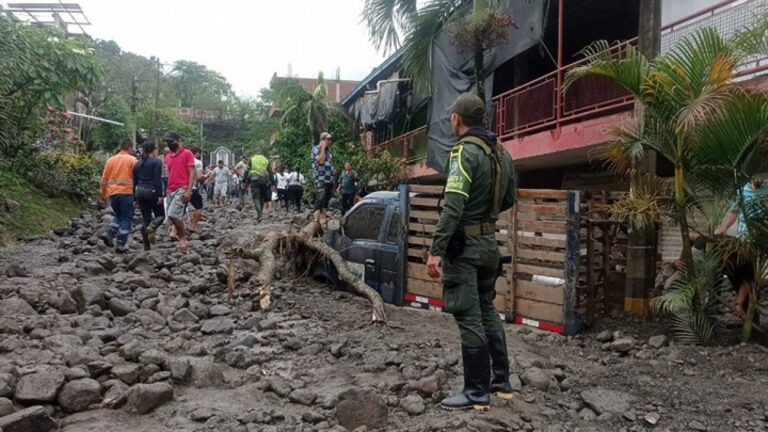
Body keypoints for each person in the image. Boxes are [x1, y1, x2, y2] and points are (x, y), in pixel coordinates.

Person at [426, 93, 517, 411]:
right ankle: (501, 382)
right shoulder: (501, 153)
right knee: (487, 309)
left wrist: (436, 249)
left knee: (468, 314)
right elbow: (509, 198)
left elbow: (453, 205)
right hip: (489, 244)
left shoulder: (463, 153)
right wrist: (485, 215)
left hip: (464, 249)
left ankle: (476, 392)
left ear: (457, 119)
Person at [714, 177, 767, 319]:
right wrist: (723, 228)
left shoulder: (766, 192)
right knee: (737, 274)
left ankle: (745, 311)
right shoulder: (742, 191)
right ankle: (717, 307)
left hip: (760, 243)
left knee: (750, 277)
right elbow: (734, 211)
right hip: (743, 242)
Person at [99, 139, 137, 253]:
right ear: (129, 148)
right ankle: (120, 244)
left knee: (119, 215)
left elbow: (104, 178)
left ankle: (109, 232)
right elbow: (137, 178)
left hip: (113, 193)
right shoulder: (132, 160)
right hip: (127, 192)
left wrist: (102, 194)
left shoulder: (111, 160)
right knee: (126, 217)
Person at [163, 132, 196, 252]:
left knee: (173, 214)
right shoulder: (168, 156)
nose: (169, 144)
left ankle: (183, 238)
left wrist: (189, 190)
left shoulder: (187, 154)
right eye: (167, 142)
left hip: (182, 188)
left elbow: (192, 172)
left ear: (178, 140)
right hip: (170, 189)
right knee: (172, 216)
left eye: (171, 141)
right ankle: (179, 235)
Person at [133, 142, 165, 250]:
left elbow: (135, 182)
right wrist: (160, 195)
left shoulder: (137, 164)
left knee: (145, 219)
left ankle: (146, 246)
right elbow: (157, 180)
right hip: (152, 191)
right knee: (161, 216)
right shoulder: (156, 162)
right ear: (153, 150)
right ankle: (152, 227)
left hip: (140, 192)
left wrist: (135, 198)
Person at [312, 132, 334, 223]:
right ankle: (316, 220)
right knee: (320, 199)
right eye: (327, 139)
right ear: (322, 140)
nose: (329, 141)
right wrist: (323, 148)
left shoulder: (329, 151)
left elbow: (330, 163)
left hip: (329, 179)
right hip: (321, 178)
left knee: (326, 200)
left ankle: (323, 218)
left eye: (330, 139)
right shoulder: (316, 149)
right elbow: (320, 161)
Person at [188, 148, 209, 232]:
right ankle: (192, 226)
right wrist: (207, 176)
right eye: (199, 154)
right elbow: (200, 177)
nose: (200, 156)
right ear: (196, 153)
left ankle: (174, 231)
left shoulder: (183, 160)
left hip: (181, 188)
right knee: (199, 207)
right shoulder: (197, 162)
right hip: (192, 188)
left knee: (180, 211)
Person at [249, 151, 273, 221]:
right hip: (264, 181)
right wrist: (273, 182)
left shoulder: (252, 159)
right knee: (261, 198)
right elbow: (270, 172)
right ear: (262, 154)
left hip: (255, 181)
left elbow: (247, 170)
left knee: (256, 199)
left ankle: (259, 215)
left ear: (255, 154)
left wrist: (244, 179)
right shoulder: (265, 160)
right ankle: (261, 214)